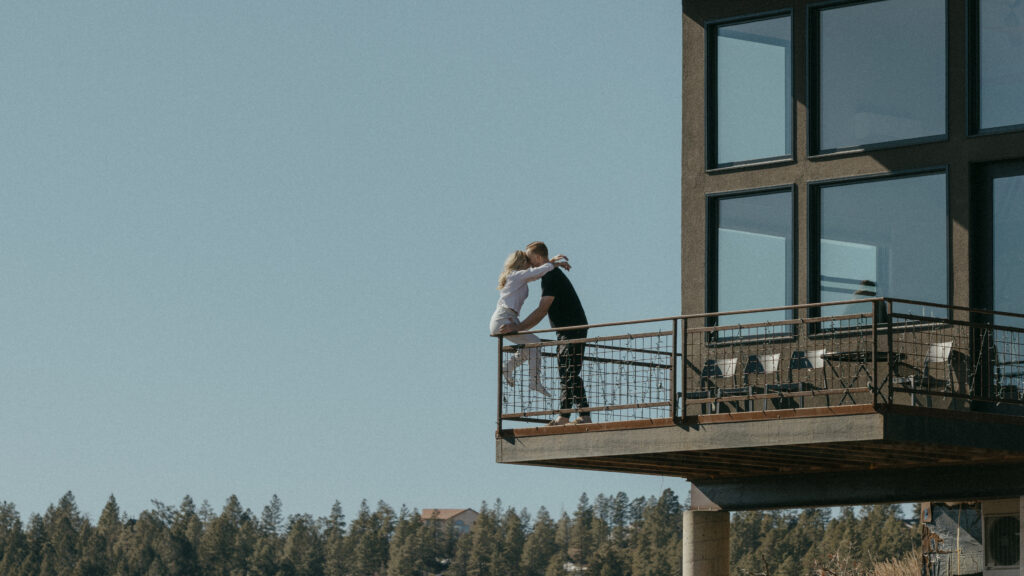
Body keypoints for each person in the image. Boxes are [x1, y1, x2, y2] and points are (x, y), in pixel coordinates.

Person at [501, 241, 590, 425]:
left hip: (571, 329)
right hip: (567, 329)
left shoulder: (550, 276)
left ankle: (566, 417)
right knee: (569, 372)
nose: (528, 263)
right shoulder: (549, 273)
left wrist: (517, 328)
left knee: (568, 371)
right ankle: (582, 415)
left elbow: (542, 310)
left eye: (530, 259)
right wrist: (554, 262)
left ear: (538, 258)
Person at [490, 250, 569, 397]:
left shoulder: (519, 278)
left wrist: (550, 263)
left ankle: (508, 368)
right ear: (522, 263)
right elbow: (537, 271)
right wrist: (554, 263)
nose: (531, 264)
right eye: (528, 261)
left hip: (510, 317)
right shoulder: (514, 275)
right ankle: (534, 382)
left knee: (529, 348)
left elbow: (537, 273)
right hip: (504, 318)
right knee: (535, 343)